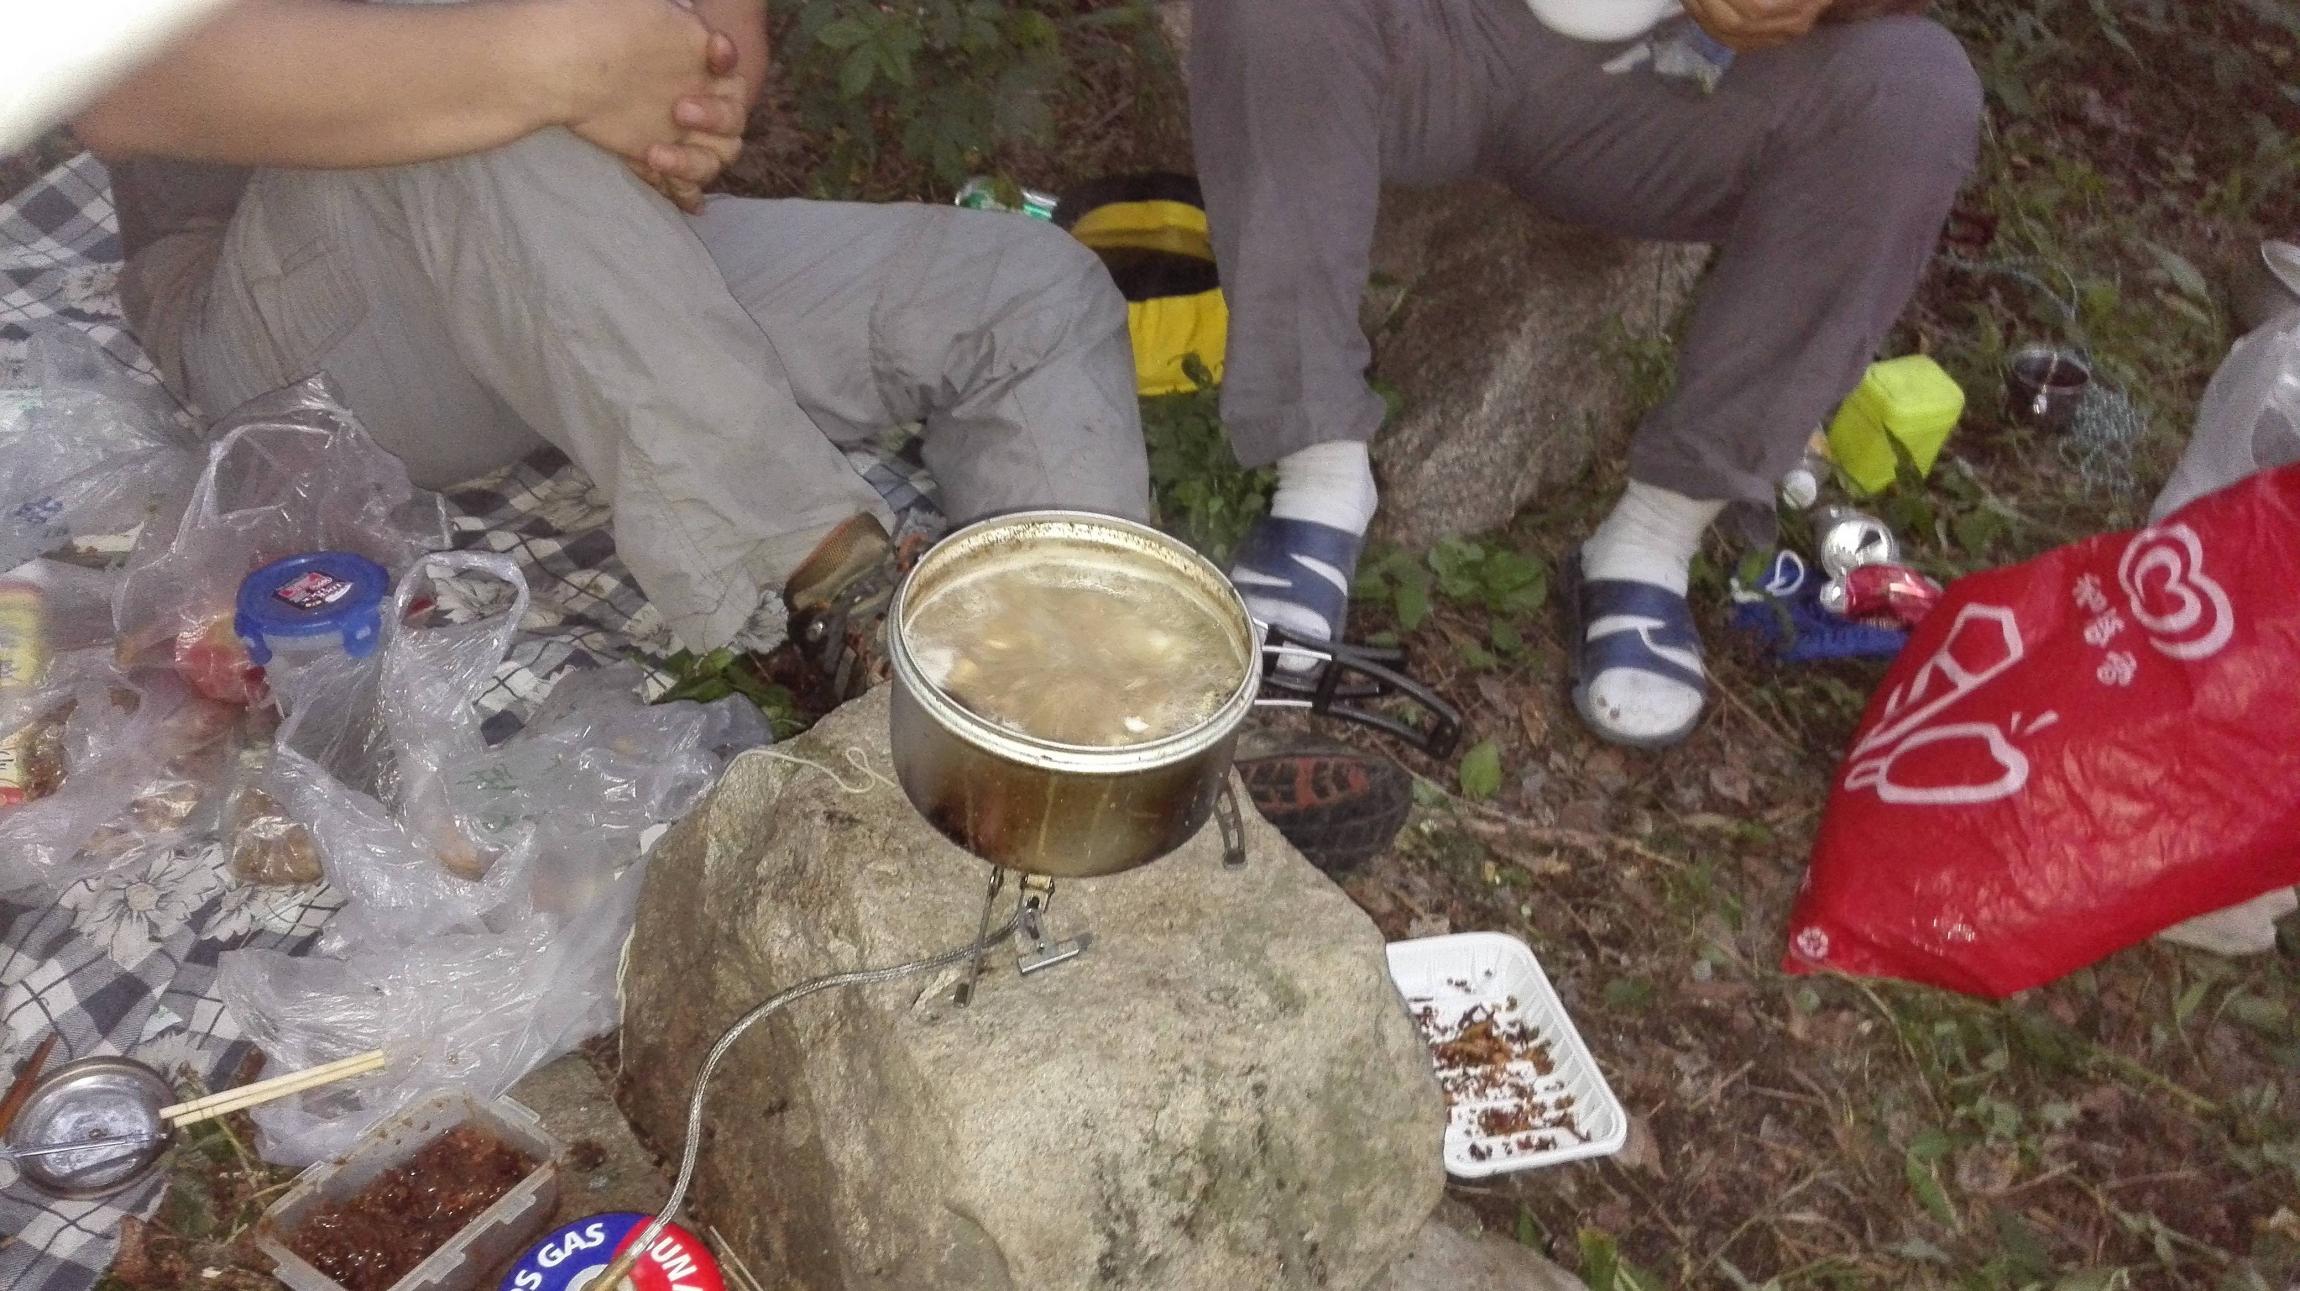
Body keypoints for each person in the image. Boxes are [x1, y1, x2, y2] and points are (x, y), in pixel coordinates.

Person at [72, 0, 1152, 698]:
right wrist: (548, 66)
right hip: (291, 313)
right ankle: (828, 597)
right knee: (469, 108)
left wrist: (686, 102)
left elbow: (712, 40)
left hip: (565, 240)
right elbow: (119, 83)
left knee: (1023, 291)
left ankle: (1078, 704)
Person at [1189, 0, 1983, 747]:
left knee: (1914, 89)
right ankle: (1318, 480)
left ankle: (1655, 538)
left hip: (1677, 83)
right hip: (1439, 34)